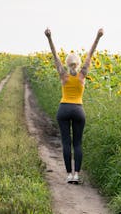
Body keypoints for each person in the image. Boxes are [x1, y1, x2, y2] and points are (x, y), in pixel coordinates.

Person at [44, 27, 104, 184]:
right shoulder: (82, 74)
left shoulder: (63, 75)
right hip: (78, 110)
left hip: (63, 109)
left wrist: (49, 37)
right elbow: (90, 54)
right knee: (77, 143)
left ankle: (69, 175)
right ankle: (77, 174)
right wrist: (98, 36)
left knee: (66, 143)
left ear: (67, 64)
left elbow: (55, 55)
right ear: (78, 63)